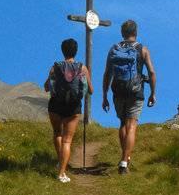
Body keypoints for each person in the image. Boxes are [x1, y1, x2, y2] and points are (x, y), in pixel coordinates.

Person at [102, 19, 157, 174]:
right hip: (135, 90)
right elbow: (151, 72)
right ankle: (125, 161)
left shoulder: (114, 49)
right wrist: (153, 93)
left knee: (122, 123)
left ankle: (125, 156)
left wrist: (105, 95)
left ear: (122, 33)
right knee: (132, 125)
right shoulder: (143, 49)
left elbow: (107, 73)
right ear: (136, 32)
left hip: (118, 90)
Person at [44, 38, 92, 183]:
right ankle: (61, 173)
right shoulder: (82, 68)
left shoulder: (55, 67)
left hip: (55, 105)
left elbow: (46, 87)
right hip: (73, 107)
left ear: (62, 50)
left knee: (57, 133)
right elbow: (90, 90)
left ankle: (60, 162)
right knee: (67, 141)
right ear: (75, 51)